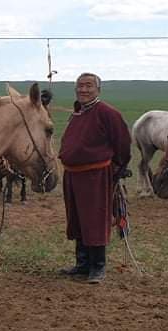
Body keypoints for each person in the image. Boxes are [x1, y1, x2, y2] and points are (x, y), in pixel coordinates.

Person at [58, 72, 131, 284]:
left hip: (96, 175)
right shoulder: (78, 113)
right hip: (73, 175)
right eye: (80, 86)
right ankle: (82, 265)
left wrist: (116, 169)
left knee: (94, 219)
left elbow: (122, 144)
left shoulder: (108, 113)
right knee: (78, 218)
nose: (83, 89)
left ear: (98, 89)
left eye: (89, 86)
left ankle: (98, 267)